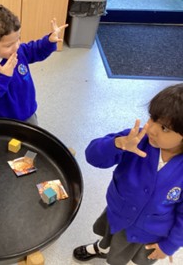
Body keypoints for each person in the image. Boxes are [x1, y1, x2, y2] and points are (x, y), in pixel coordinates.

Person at [73, 83, 183, 265]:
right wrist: (118, 144)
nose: (152, 129)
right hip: (117, 211)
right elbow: (92, 156)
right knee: (108, 237)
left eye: (164, 128)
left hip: (149, 232)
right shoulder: (136, 139)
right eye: (152, 119)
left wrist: (169, 245)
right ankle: (100, 248)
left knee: (126, 257)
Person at [0, 4, 68, 125]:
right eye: (9, 45)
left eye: (18, 39)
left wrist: (49, 41)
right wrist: (4, 77)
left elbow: (35, 49)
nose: (16, 46)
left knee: (30, 141)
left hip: (27, 113)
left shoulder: (18, 50)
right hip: (1, 121)